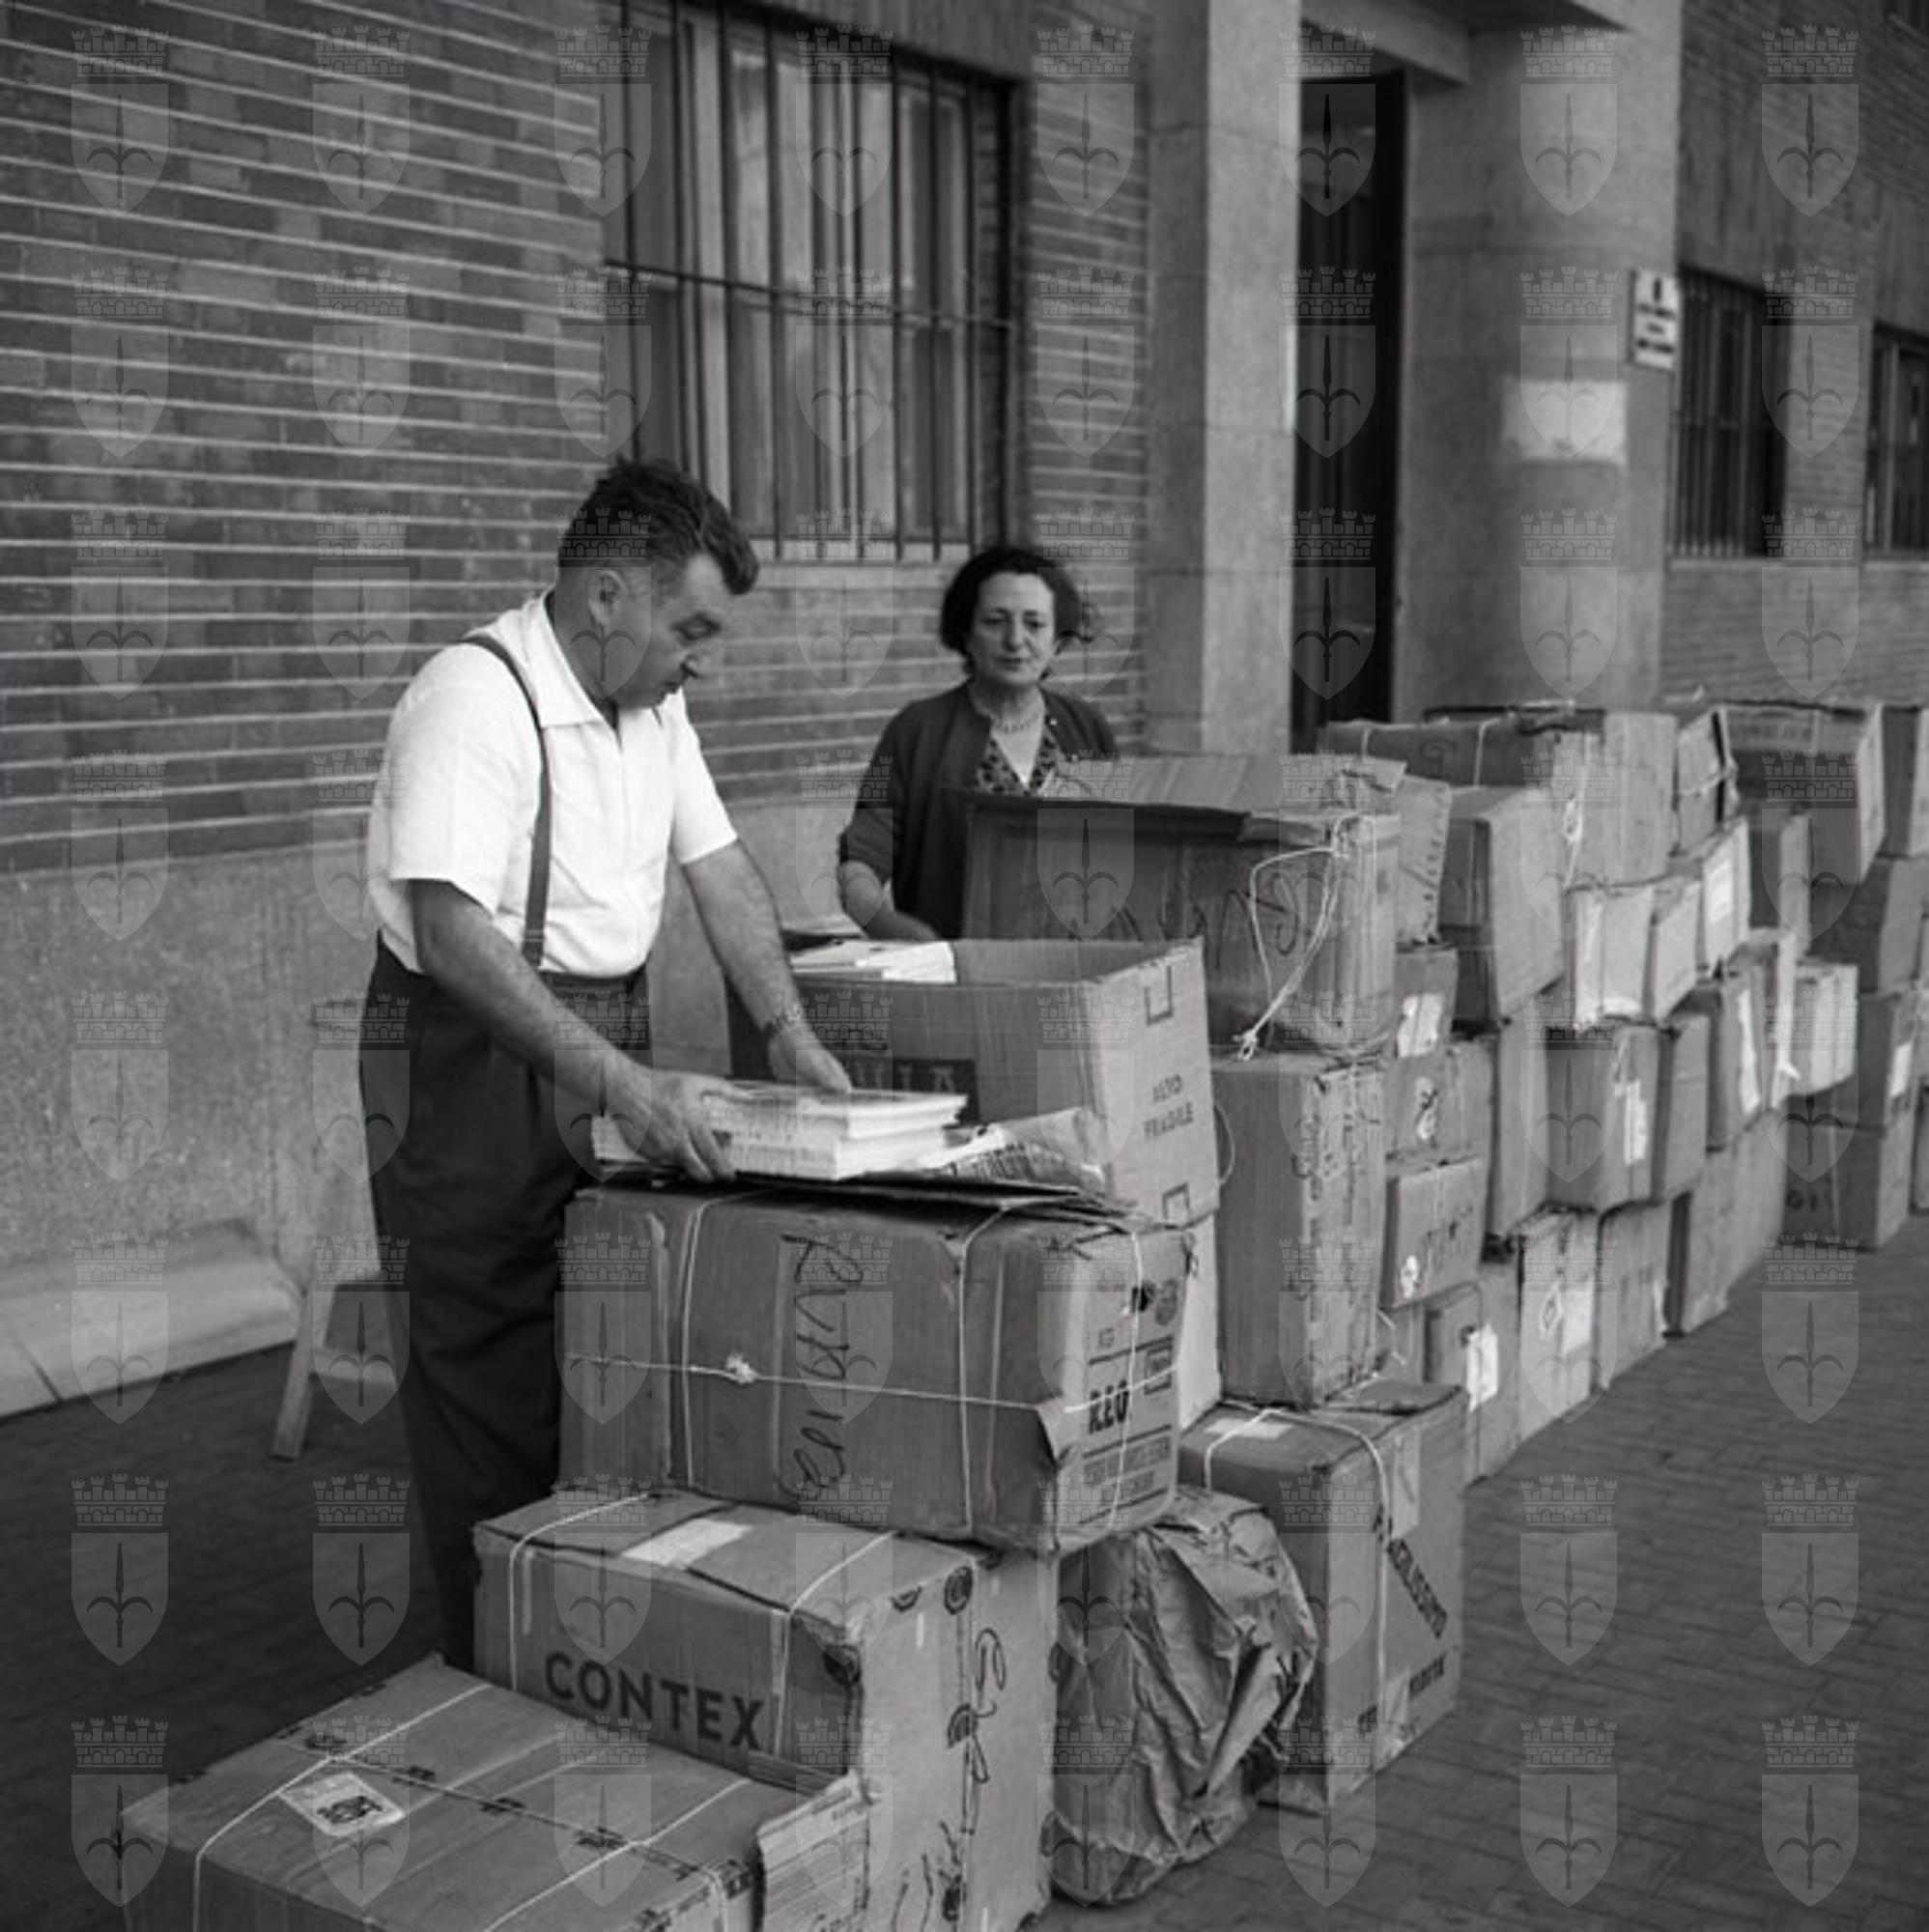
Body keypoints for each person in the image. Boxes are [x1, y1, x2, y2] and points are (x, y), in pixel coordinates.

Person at [359, 457, 849, 1668]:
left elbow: (719, 867)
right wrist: (627, 1084)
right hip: (469, 1060)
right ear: (607, 599)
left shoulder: (653, 706)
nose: (701, 658)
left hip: (594, 1035)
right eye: (691, 627)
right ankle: (495, 1663)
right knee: (489, 1373)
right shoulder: (473, 698)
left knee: (602, 1346)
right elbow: (451, 934)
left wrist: (787, 1029)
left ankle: (586, 1643)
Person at [837, 545, 1118, 940]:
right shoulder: (916, 731)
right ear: (966, 633)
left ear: (1057, 641)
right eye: (995, 621)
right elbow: (860, 863)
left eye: (1035, 624)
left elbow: (1118, 853)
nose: (1015, 640)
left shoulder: (1087, 729)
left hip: (1073, 963)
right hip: (956, 965)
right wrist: (898, 932)